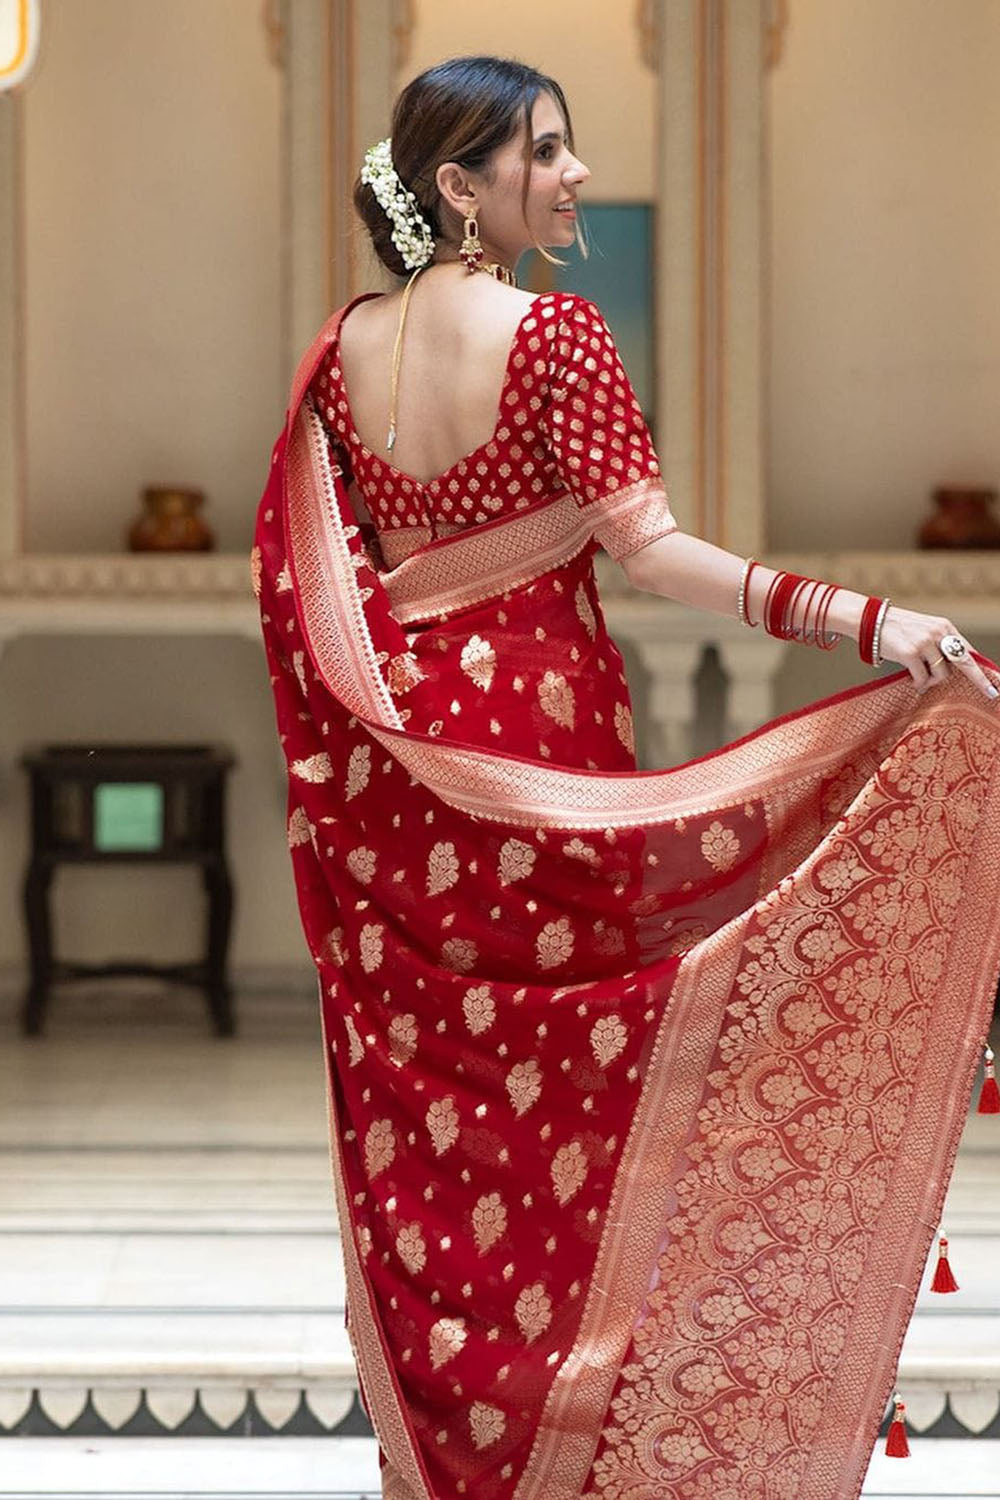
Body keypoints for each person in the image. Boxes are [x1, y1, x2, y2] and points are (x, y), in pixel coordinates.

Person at [253, 54, 1000, 1500]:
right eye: (545, 152)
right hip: (539, 757)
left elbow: (312, 600)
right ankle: (585, 1455)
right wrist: (868, 621)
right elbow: (652, 554)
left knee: (451, 1130)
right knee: (578, 1105)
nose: (577, 174)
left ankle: (471, 1456)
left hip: (409, 785)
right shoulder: (559, 338)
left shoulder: (340, 350)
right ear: (457, 188)